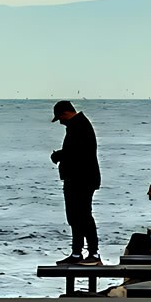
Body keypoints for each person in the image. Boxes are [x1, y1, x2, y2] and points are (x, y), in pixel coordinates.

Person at [49, 100, 101, 265]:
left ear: (65, 113)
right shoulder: (78, 125)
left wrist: (58, 156)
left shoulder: (79, 126)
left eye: (60, 118)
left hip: (81, 179)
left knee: (83, 216)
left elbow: (77, 153)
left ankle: (93, 253)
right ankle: (77, 253)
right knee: (76, 217)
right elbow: (77, 151)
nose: (61, 122)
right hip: (79, 178)